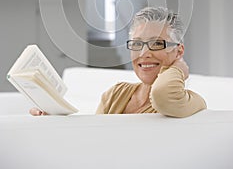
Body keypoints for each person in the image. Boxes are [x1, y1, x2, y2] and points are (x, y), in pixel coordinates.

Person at [30, 6, 206, 117]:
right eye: (137, 44)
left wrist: (179, 69)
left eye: (157, 43)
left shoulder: (190, 101)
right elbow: (93, 139)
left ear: (179, 50)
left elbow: (162, 95)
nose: (144, 53)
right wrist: (52, 119)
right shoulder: (116, 93)